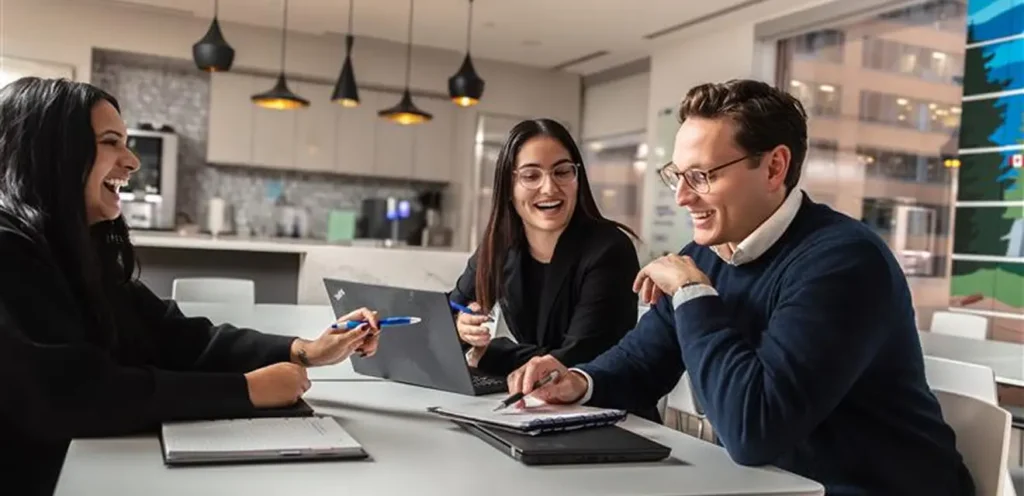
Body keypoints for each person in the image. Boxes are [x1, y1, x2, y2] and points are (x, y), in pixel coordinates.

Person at [505, 80, 974, 495]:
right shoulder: (710, 249)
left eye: (702, 176)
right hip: (773, 485)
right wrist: (578, 381)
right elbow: (643, 361)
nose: (682, 196)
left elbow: (754, 430)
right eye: (677, 174)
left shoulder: (843, 262)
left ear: (774, 168)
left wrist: (692, 292)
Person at [0, 77, 382, 495]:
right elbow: (73, 394)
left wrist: (305, 350)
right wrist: (246, 391)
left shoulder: (74, 247)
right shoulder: (9, 250)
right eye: (112, 142)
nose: (132, 162)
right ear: (52, 153)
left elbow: (173, 335)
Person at [449, 118, 641, 376]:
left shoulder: (610, 249)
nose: (549, 188)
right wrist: (462, 326)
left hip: (605, 407)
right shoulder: (500, 245)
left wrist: (490, 354)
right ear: (509, 186)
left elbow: (582, 356)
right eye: (531, 176)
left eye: (562, 172)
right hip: (537, 400)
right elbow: (447, 316)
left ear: (577, 177)